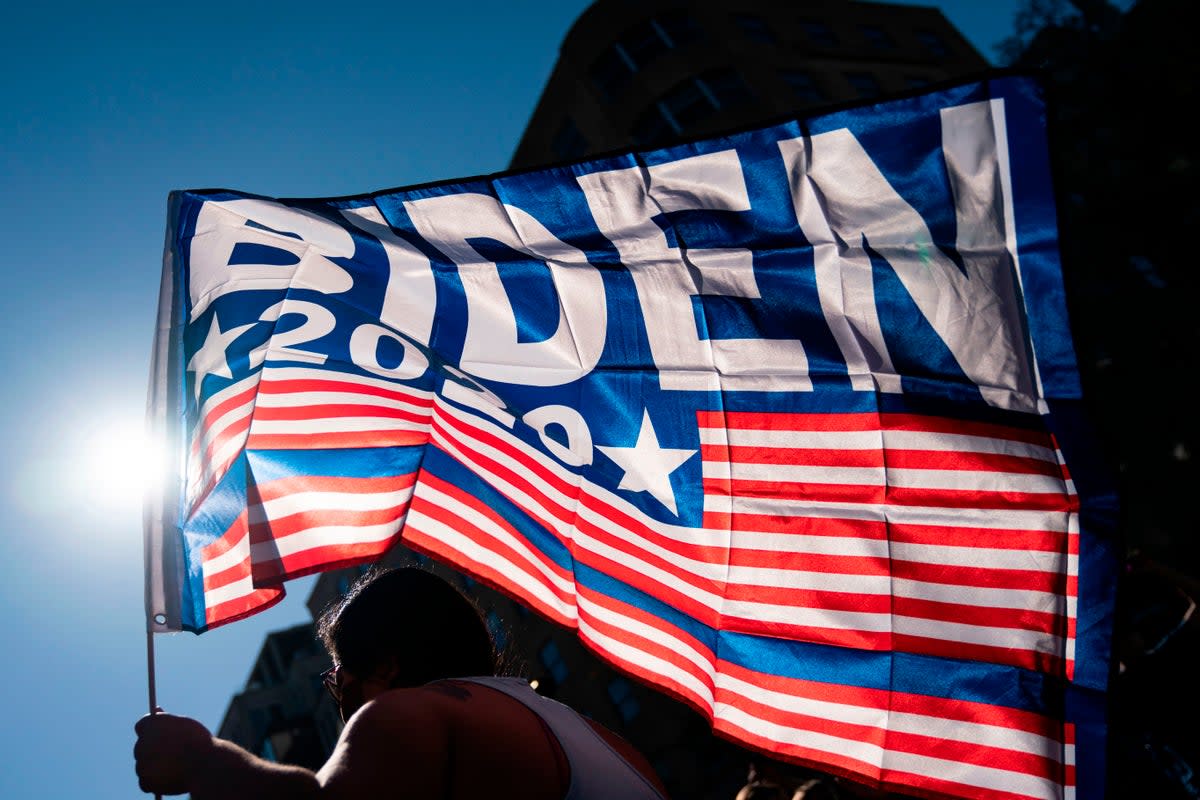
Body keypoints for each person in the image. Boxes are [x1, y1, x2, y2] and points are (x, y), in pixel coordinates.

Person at [134, 566, 670, 799]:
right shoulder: (607, 741)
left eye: (338, 670)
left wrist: (203, 760)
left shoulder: (409, 714)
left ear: (386, 665)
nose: (336, 689)